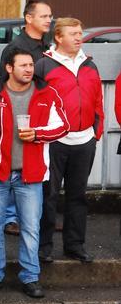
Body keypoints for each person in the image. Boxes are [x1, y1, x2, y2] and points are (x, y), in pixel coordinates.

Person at [0, 51, 69, 299]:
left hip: (31, 174)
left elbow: (62, 126)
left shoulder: (47, 93)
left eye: (31, 65)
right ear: (9, 68)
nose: (29, 69)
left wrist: (37, 134)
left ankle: (30, 277)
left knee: (30, 229)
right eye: (23, 65)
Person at [35, 17, 104, 264]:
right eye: (73, 33)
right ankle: (43, 247)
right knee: (48, 195)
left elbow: (97, 100)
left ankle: (75, 245)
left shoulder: (90, 65)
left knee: (78, 196)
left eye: (80, 33)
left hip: (84, 140)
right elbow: (36, 101)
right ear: (58, 37)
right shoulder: (44, 65)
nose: (78, 37)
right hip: (54, 142)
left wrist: (96, 132)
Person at [0, 0, 54, 236]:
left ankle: (39, 218)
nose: (49, 20)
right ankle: (11, 218)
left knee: (39, 166)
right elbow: (4, 81)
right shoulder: (16, 47)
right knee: (17, 163)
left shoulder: (48, 45)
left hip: (44, 111)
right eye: (44, 16)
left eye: (50, 16)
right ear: (29, 18)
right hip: (20, 112)